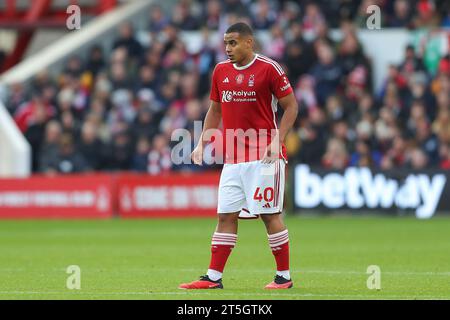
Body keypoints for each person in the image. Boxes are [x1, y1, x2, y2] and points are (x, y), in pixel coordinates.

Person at [179, 22, 298, 290]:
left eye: (233, 43)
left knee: (270, 215)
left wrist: (278, 140)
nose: (228, 48)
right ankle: (213, 277)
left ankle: (284, 276)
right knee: (225, 215)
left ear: (249, 42)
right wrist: (202, 142)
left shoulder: (270, 69)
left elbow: (291, 108)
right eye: (225, 43)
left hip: (265, 155)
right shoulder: (220, 71)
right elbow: (215, 110)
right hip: (233, 158)